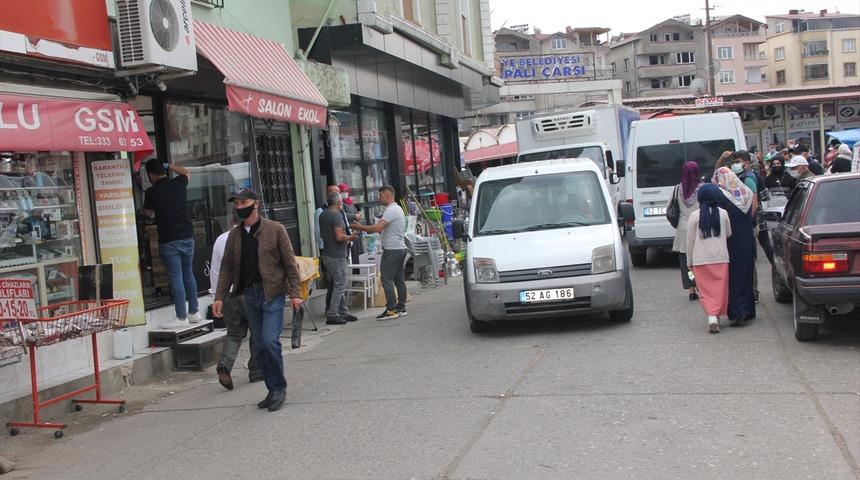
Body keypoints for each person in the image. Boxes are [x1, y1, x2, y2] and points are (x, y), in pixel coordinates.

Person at [212, 189, 302, 413]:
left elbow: (290, 264)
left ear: (256, 204)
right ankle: (272, 388)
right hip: (248, 295)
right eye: (237, 203)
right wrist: (219, 297)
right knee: (260, 346)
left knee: (270, 341)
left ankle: (279, 387)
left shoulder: (276, 230)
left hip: (271, 293)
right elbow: (227, 269)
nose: (240, 206)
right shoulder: (235, 235)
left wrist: (296, 293)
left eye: (244, 202)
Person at [142, 158, 200, 329]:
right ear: (164, 170)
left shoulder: (152, 192)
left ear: (150, 175)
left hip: (169, 240)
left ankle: (181, 317)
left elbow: (146, 212)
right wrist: (169, 166)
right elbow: (187, 172)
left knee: (176, 277)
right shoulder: (178, 183)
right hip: (187, 237)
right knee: (188, 273)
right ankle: (194, 312)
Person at [211, 229, 261, 390]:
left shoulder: (220, 239)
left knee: (233, 333)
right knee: (257, 330)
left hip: (228, 295)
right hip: (249, 292)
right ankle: (256, 368)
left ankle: (225, 365)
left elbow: (216, 270)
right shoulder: (252, 237)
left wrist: (217, 296)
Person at [351, 185, 407, 320]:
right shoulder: (398, 209)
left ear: (387, 195)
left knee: (386, 279)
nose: (379, 198)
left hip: (393, 250)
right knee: (399, 279)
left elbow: (377, 228)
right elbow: (384, 229)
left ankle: (391, 310)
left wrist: (360, 227)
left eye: (380, 195)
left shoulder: (391, 210)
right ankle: (401, 307)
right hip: (400, 248)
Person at [686, 184, 733, 334]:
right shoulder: (723, 213)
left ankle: (712, 316)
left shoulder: (694, 216)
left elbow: (690, 241)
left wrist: (689, 261)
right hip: (720, 257)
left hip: (700, 259)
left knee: (706, 291)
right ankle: (716, 315)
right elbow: (729, 234)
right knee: (720, 289)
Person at [713, 167, 756, 326]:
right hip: (747, 238)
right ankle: (749, 309)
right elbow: (753, 212)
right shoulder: (746, 192)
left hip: (731, 239)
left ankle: (738, 311)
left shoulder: (722, 195)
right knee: (747, 272)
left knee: (734, 275)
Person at [319, 191, 359, 325]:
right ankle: (333, 313)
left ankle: (342, 311)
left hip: (328, 253)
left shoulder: (323, 214)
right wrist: (351, 237)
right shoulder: (336, 215)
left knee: (337, 283)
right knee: (341, 284)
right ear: (339, 203)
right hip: (337, 254)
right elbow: (339, 236)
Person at [670, 161, 701, 301]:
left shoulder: (677, 189)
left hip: (683, 230)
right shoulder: (703, 189)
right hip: (700, 227)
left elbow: (668, 209)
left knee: (686, 263)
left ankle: (691, 289)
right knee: (700, 260)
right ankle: (702, 285)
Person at [338, 183, 364, 264]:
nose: (345, 193)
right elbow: (342, 215)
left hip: (356, 230)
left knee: (358, 252)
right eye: (342, 191)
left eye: (346, 191)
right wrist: (354, 216)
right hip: (349, 231)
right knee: (352, 253)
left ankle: (359, 269)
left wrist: (359, 215)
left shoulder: (350, 202)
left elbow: (356, 212)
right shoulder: (340, 204)